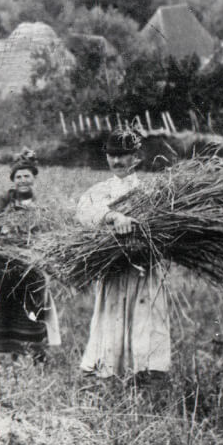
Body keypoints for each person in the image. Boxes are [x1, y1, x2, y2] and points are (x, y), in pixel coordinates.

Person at [74, 129, 172, 392]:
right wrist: (113, 217)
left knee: (147, 324)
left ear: (136, 157)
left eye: (123, 156)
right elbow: (84, 212)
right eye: (112, 156)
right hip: (114, 272)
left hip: (144, 272)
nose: (117, 162)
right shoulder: (100, 191)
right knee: (111, 322)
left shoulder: (149, 193)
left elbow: (164, 226)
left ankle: (149, 381)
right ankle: (107, 381)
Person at [0, 148, 60, 365]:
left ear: (34, 178)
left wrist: (41, 250)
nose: (22, 181)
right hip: (3, 264)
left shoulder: (42, 206)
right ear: (13, 180)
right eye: (18, 177)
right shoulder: (2, 201)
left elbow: (51, 231)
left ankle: (35, 356)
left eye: (26, 176)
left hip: (30, 266)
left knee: (31, 311)